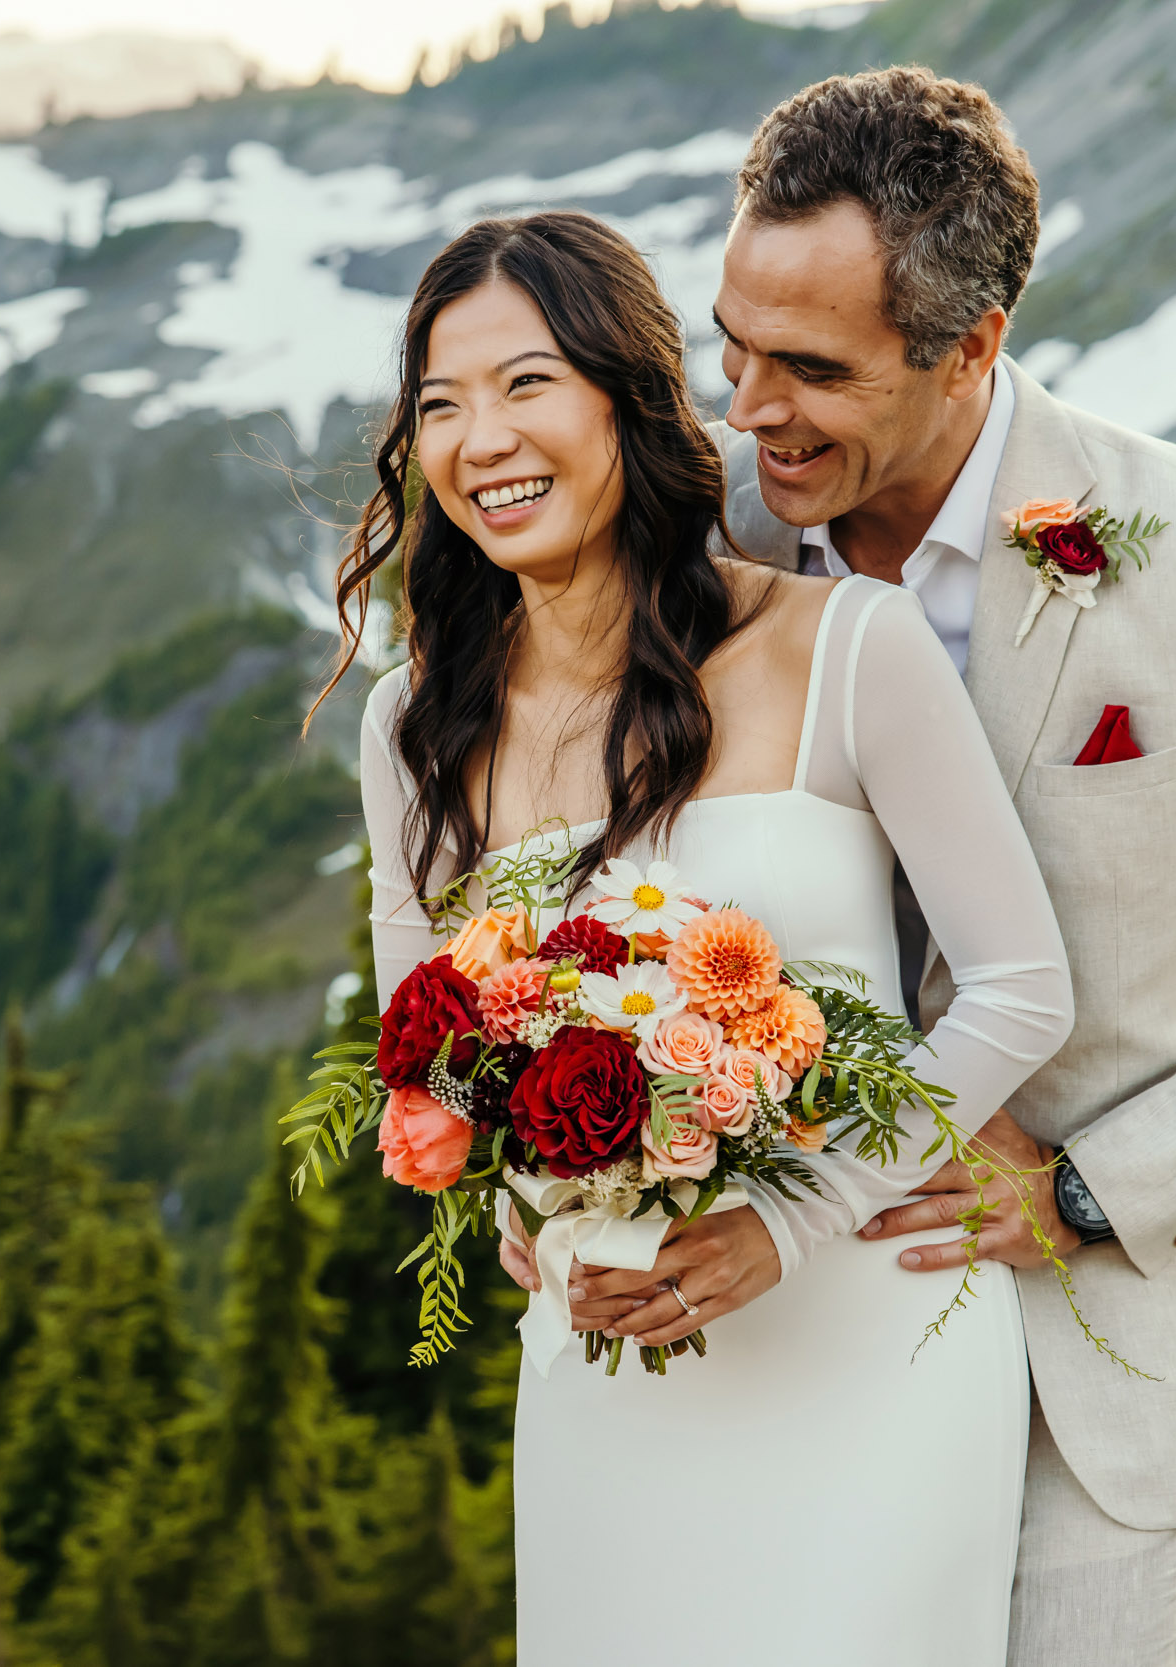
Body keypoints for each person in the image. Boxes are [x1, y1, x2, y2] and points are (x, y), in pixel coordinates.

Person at [538, 68, 1176, 1666]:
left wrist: (1092, 1192)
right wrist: (554, 1186)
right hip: (765, 1335)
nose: (749, 408)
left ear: (970, 347)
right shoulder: (701, 568)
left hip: (1082, 1364)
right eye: (734, 344)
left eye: (813, 369)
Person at [334, 209, 1073, 1664]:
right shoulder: (413, 724)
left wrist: (790, 1223)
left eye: (527, 382)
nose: (483, 437)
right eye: (440, 402)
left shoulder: (844, 644)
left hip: (871, 1340)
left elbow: (1020, 989)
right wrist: (522, 1211)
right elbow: (426, 1052)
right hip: (612, 1355)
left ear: (630, 395)